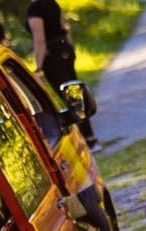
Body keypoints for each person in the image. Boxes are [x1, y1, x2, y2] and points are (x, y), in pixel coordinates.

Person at [25, 0, 96, 144]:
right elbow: (65, 26)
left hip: (52, 55)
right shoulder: (52, 3)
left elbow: (40, 40)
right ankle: (89, 135)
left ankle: (87, 137)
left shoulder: (34, 10)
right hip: (64, 49)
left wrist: (38, 67)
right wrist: (69, 47)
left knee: (68, 94)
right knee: (74, 90)